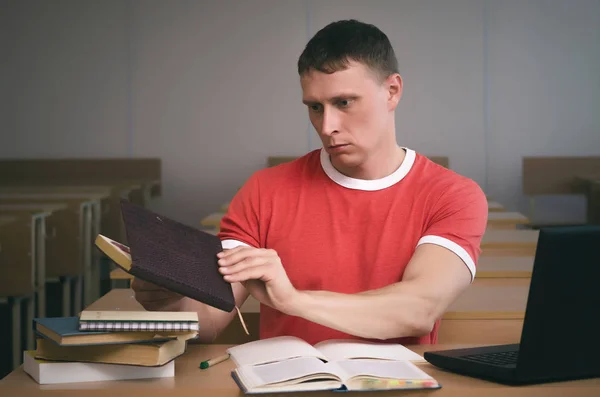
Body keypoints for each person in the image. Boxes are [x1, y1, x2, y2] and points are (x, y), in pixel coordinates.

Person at [132, 19, 488, 346]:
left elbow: (419, 309)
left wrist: (293, 300)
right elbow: (210, 322)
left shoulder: (453, 196)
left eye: (344, 102)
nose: (327, 125)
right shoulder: (264, 191)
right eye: (315, 107)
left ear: (392, 91)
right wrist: (171, 302)